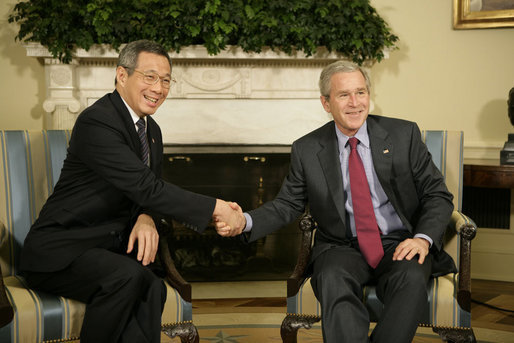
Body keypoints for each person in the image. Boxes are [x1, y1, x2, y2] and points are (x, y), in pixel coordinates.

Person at [216, 61, 456, 343]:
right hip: (341, 246)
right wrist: (245, 220)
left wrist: (422, 239)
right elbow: (288, 204)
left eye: (361, 92)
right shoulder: (307, 149)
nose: (355, 103)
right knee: (331, 278)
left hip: (400, 241)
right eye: (344, 95)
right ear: (326, 103)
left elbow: (437, 194)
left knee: (412, 278)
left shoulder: (404, 135)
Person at [20, 40, 244, 343]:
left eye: (166, 80)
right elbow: (146, 187)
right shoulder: (97, 121)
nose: (159, 88)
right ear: (122, 76)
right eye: (149, 76)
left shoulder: (151, 131)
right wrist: (217, 208)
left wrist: (146, 217)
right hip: (61, 250)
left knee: (152, 285)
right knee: (126, 277)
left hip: (106, 248)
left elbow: (148, 194)